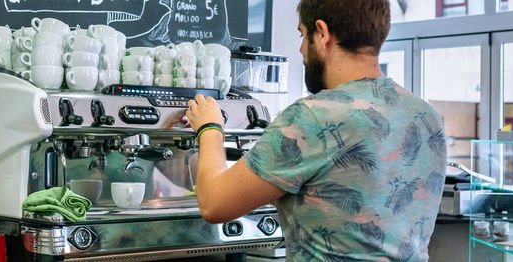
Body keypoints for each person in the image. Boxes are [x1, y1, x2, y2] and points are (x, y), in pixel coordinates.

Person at [184, 0, 447, 261]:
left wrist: (209, 127)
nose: (300, 49)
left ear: (322, 33)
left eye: (302, 34)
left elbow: (214, 203)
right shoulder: (426, 116)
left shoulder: (313, 116)